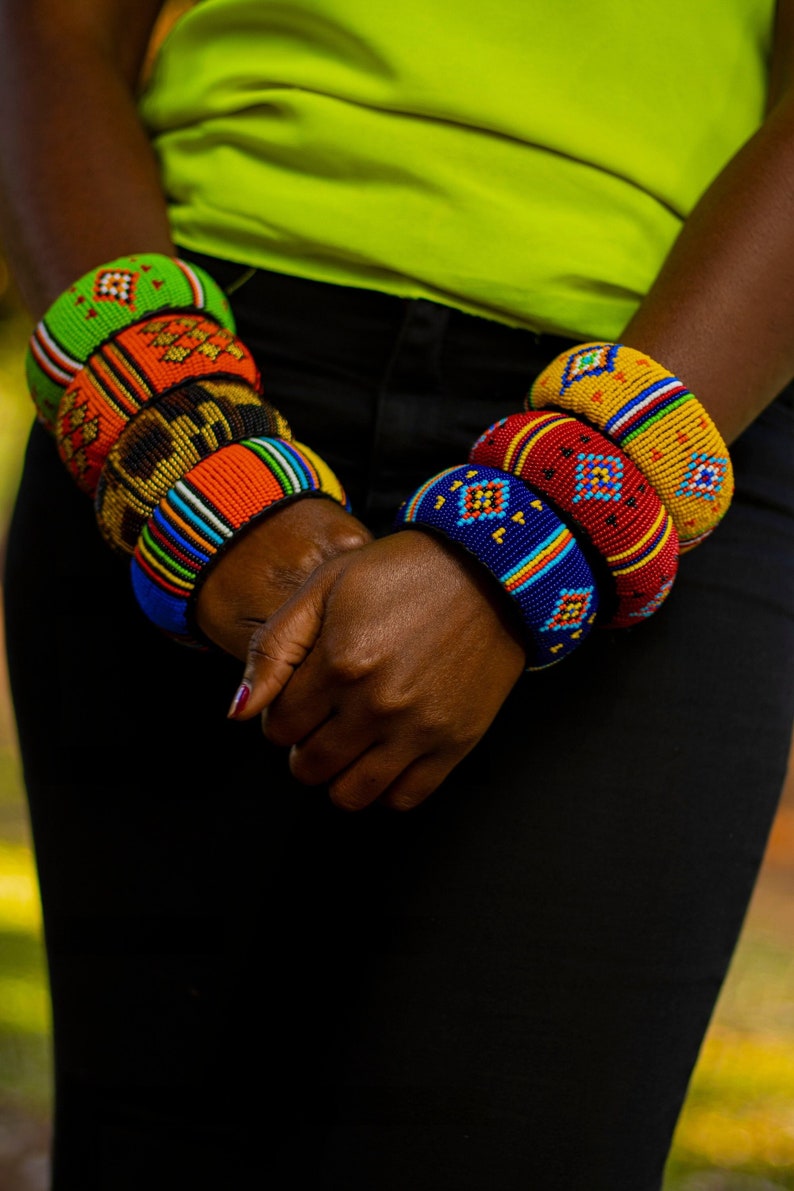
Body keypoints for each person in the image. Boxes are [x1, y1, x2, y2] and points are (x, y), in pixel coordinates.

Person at [1, 1, 793, 1187]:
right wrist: (193, 462)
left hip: (680, 380)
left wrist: (523, 548)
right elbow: (51, 28)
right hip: (202, 362)